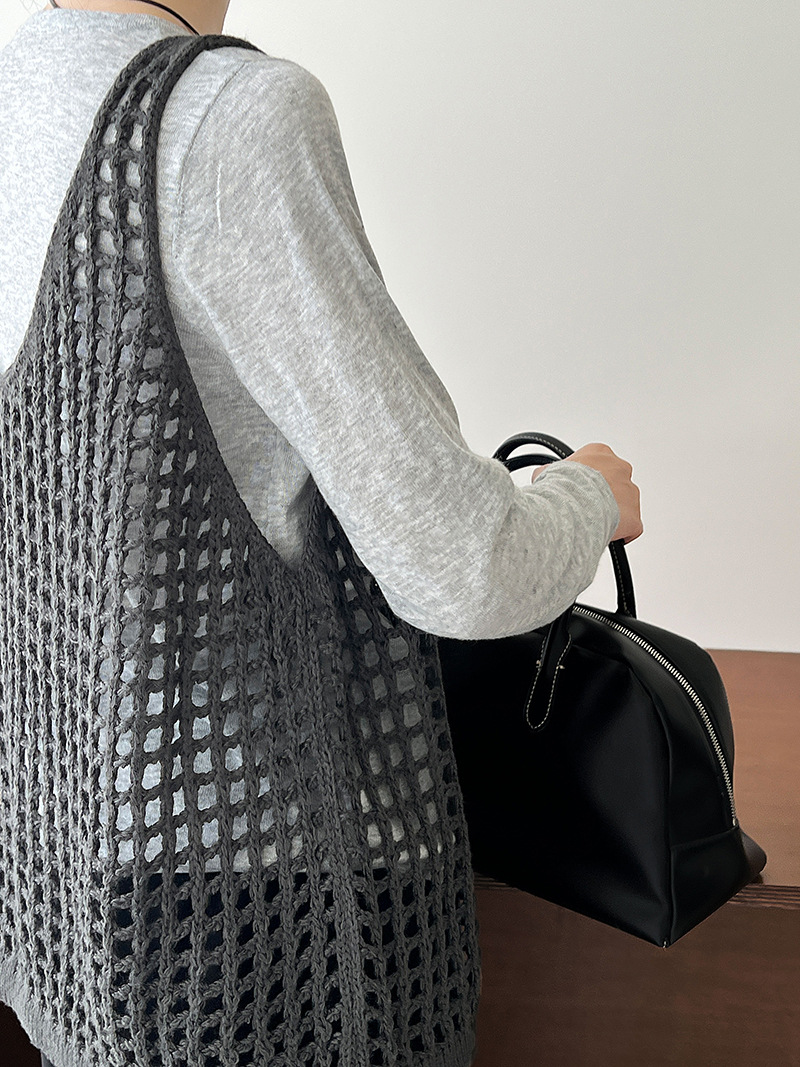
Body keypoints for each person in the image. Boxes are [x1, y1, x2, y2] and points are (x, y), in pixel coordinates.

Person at [0, 3, 642, 1067]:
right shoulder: (230, 119)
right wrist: (587, 497)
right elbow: (459, 567)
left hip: (58, 868)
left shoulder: (19, 83)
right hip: (252, 900)